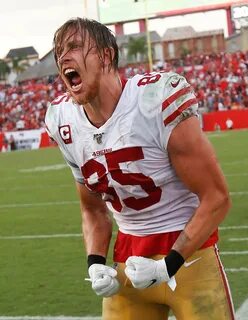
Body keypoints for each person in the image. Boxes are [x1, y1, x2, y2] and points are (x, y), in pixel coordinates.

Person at [45, 18, 235, 320]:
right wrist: (95, 262)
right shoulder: (63, 120)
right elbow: (93, 209)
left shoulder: (153, 101)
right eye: (58, 52)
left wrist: (167, 265)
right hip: (129, 260)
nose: (63, 57)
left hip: (191, 258)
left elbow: (217, 197)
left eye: (75, 46)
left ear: (106, 56)